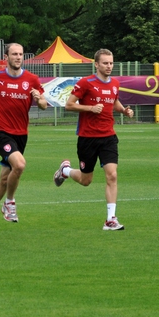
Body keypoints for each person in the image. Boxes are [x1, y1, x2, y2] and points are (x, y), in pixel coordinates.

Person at [52, 48, 134, 231]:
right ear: (96, 64)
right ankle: (65, 171)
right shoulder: (85, 83)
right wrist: (90, 108)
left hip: (108, 137)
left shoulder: (115, 83)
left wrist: (124, 110)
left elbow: (113, 101)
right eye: (105, 63)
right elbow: (69, 105)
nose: (109, 66)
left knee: (112, 175)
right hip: (87, 138)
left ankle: (110, 219)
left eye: (111, 63)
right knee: (86, 180)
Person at [0, 43, 47, 235]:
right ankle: (9, 202)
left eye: (20, 54)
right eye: (14, 54)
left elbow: (44, 104)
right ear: (6, 57)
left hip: (21, 134)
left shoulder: (31, 79)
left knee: (4, 180)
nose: (18, 57)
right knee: (20, 165)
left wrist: (38, 98)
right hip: (0, 132)